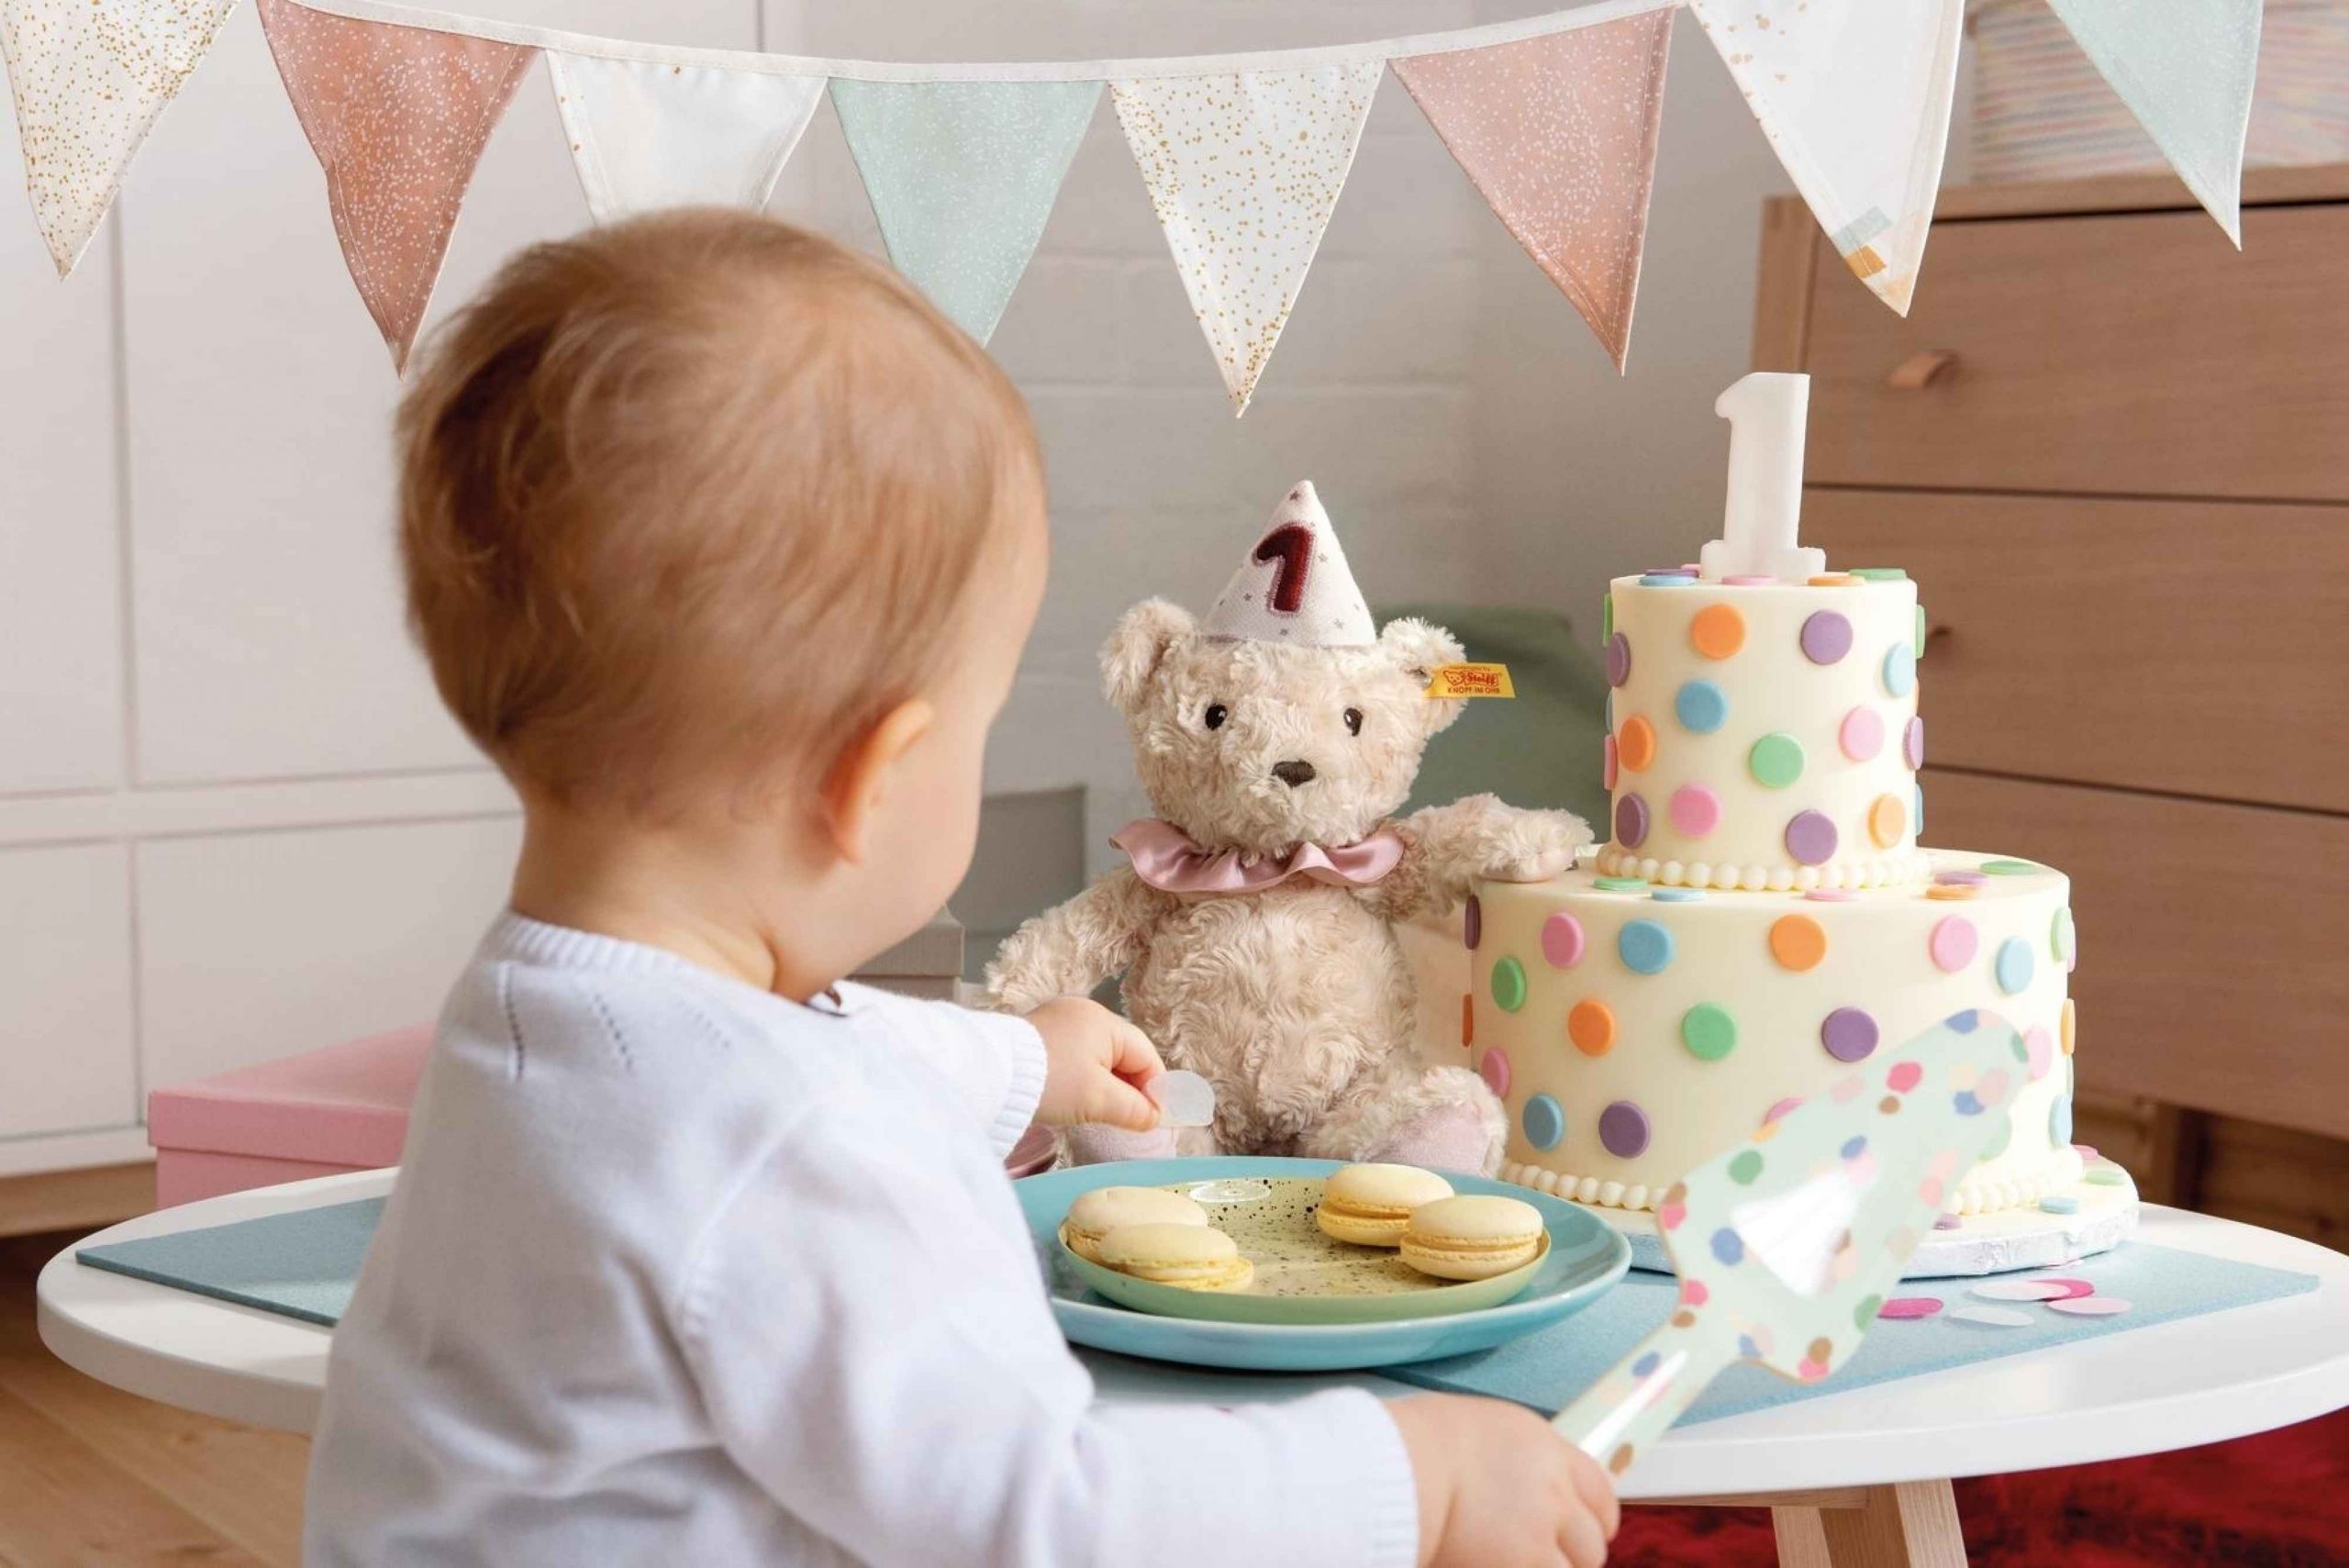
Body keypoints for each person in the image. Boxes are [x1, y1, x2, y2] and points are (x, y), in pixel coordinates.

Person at [304, 208, 1619, 1568]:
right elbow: (1045, 1513)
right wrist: (1416, 1484)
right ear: (878, 777)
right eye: (980, 723)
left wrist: (1019, 1064)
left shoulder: (539, 1015)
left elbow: (788, 1060)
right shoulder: (800, 1151)